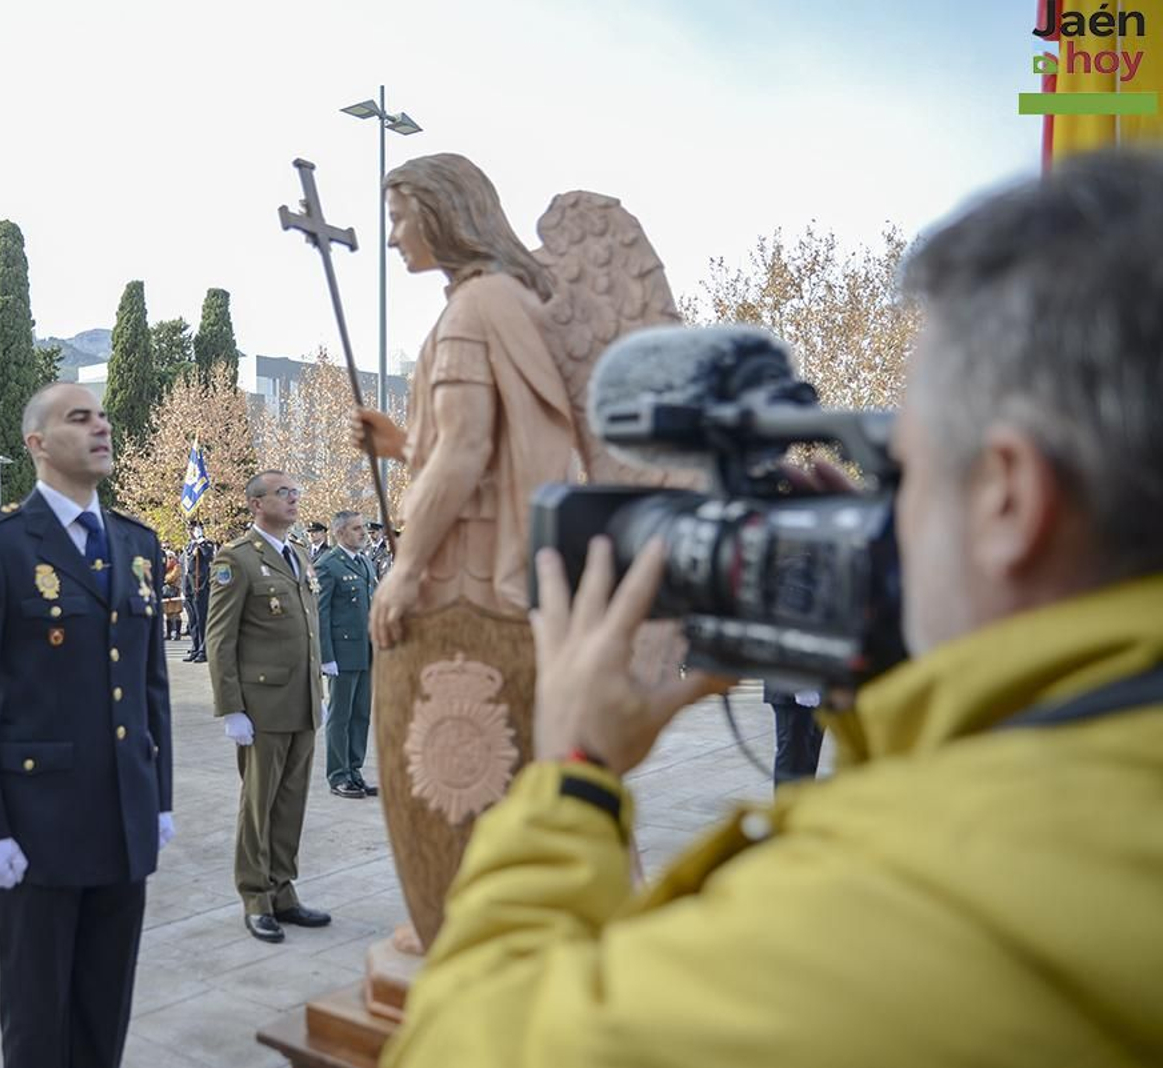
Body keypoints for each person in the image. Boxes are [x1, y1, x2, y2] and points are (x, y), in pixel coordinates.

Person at [381, 151, 1163, 1066]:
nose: (874, 517)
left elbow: (458, 1045)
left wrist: (577, 777)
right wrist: (896, 681)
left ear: (1007, 501)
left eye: (906, 471)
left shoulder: (890, 915)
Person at [0, 381, 174, 1068]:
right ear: (37, 443)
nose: (101, 427)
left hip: (123, 819)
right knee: (39, 1023)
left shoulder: (136, 542)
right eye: (79, 417)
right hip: (36, 827)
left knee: (105, 1013)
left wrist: (158, 798)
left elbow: (149, 685)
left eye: (102, 416)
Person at [205, 470, 330, 943]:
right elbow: (220, 639)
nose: (294, 499)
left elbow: (308, 630)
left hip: (301, 701)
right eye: (283, 493)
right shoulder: (236, 560)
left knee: (291, 802)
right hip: (262, 705)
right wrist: (231, 708)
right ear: (257, 504)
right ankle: (255, 896)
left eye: (296, 492)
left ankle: (283, 888)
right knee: (258, 805)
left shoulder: (297, 554)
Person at [315, 510, 377, 798]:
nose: (362, 533)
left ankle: (355, 770)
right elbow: (320, 614)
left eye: (363, 528)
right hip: (342, 654)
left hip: (365, 652)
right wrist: (326, 657)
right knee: (340, 716)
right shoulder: (328, 565)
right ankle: (338, 775)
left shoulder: (364, 562)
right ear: (339, 533)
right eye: (356, 529)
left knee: (361, 714)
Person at [182, 521, 216, 663]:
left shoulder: (206, 544)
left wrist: (201, 540)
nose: (190, 531)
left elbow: (209, 556)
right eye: (189, 528)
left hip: (200, 586)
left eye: (193, 528)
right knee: (193, 621)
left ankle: (204, 649)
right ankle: (195, 647)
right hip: (189, 587)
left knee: (202, 619)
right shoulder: (189, 545)